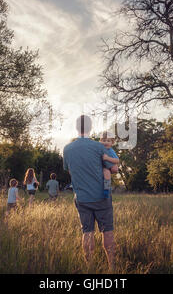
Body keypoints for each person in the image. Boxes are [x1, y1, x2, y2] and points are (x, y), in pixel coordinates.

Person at [63, 115, 118, 271]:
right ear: (91, 127)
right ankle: (111, 268)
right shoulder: (99, 147)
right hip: (101, 197)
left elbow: (70, 171)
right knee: (107, 231)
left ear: (76, 128)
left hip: (81, 198)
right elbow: (114, 168)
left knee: (87, 232)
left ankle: (90, 268)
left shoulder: (67, 149)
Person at [100, 132, 120, 199]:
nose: (106, 142)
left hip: (107, 167)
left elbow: (117, 160)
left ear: (112, 143)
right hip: (100, 166)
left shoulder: (111, 151)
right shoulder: (98, 149)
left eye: (108, 141)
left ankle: (106, 189)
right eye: (104, 140)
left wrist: (107, 158)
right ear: (100, 141)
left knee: (107, 173)